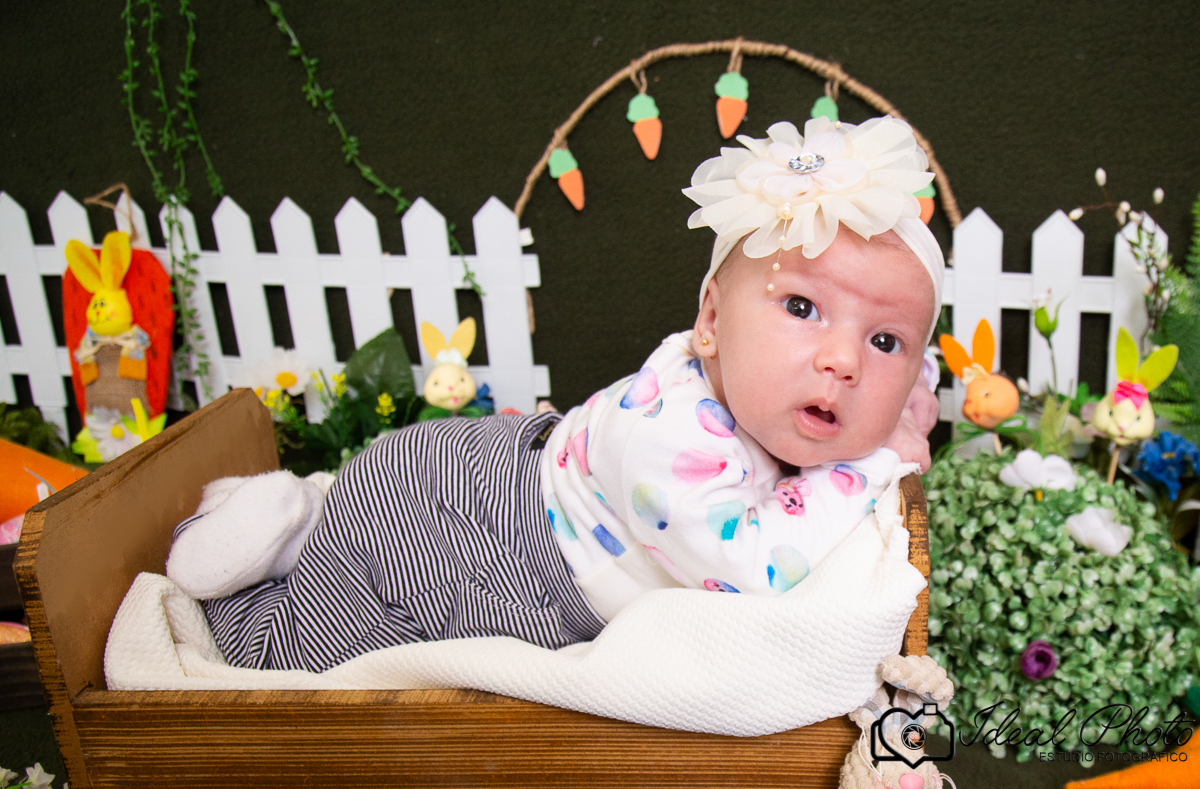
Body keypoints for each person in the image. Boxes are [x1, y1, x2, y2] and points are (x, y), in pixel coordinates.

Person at [168, 114, 944, 673]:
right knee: (306, 653)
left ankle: (309, 514)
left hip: (484, 467)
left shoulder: (762, 392)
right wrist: (876, 462)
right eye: (802, 309)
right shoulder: (672, 438)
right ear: (710, 318)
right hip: (471, 536)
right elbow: (753, 570)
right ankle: (277, 539)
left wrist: (895, 410)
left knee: (346, 526)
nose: (843, 360)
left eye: (885, 343)